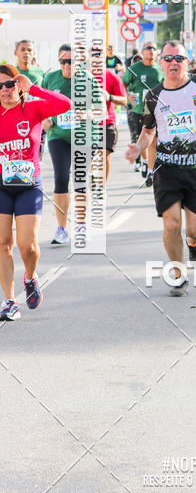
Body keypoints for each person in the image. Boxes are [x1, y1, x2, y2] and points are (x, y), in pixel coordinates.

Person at [124, 40, 196, 295]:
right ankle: (178, 274)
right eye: (168, 59)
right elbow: (147, 131)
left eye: (179, 58)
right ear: (161, 63)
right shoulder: (153, 95)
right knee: (171, 223)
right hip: (166, 169)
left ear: (187, 62)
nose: (173, 63)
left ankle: (193, 242)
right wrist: (137, 147)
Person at [0, 64, 72, 320]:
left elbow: (65, 104)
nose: (5, 90)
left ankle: (30, 278)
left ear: (18, 85)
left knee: (26, 246)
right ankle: (9, 301)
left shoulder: (32, 109)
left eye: (9, 84)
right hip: (1, 186)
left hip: (28, 185)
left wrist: (34, 89)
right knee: (2, 243)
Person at [42, 45, 104, 245]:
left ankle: (81, 225)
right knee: (61, 178)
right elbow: (41, 104)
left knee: (79, 179)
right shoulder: (50, 79)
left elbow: (100, 110)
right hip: (58, 134)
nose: (67, 65)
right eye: (63, 61)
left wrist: (85, 114)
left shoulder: (89, 80)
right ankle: (61, 229)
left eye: (72, 61)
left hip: (84, 136)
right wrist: (45, 119)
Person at [122, 43, 163, 183]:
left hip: (155, 110)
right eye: (148, 48)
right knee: (140, 138)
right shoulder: (134, 69)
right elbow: (124, 83)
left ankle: (151, 171)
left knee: (153, 141)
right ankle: (145, 161)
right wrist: (128, 95)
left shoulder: (160, 69)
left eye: (153, 48)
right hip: (138, 109)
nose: (151, 51)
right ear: (142, 52)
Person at [90, 46, 127, 181]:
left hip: (107, 122)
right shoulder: (82, 76)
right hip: (88, 123)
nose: (96, 57)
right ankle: (94, 178)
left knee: (104, 154)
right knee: (93, 156)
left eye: (99, 55)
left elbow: (124, 100)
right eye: (93, 55)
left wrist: (110, 97)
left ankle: (101, 187)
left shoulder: (112, 77)